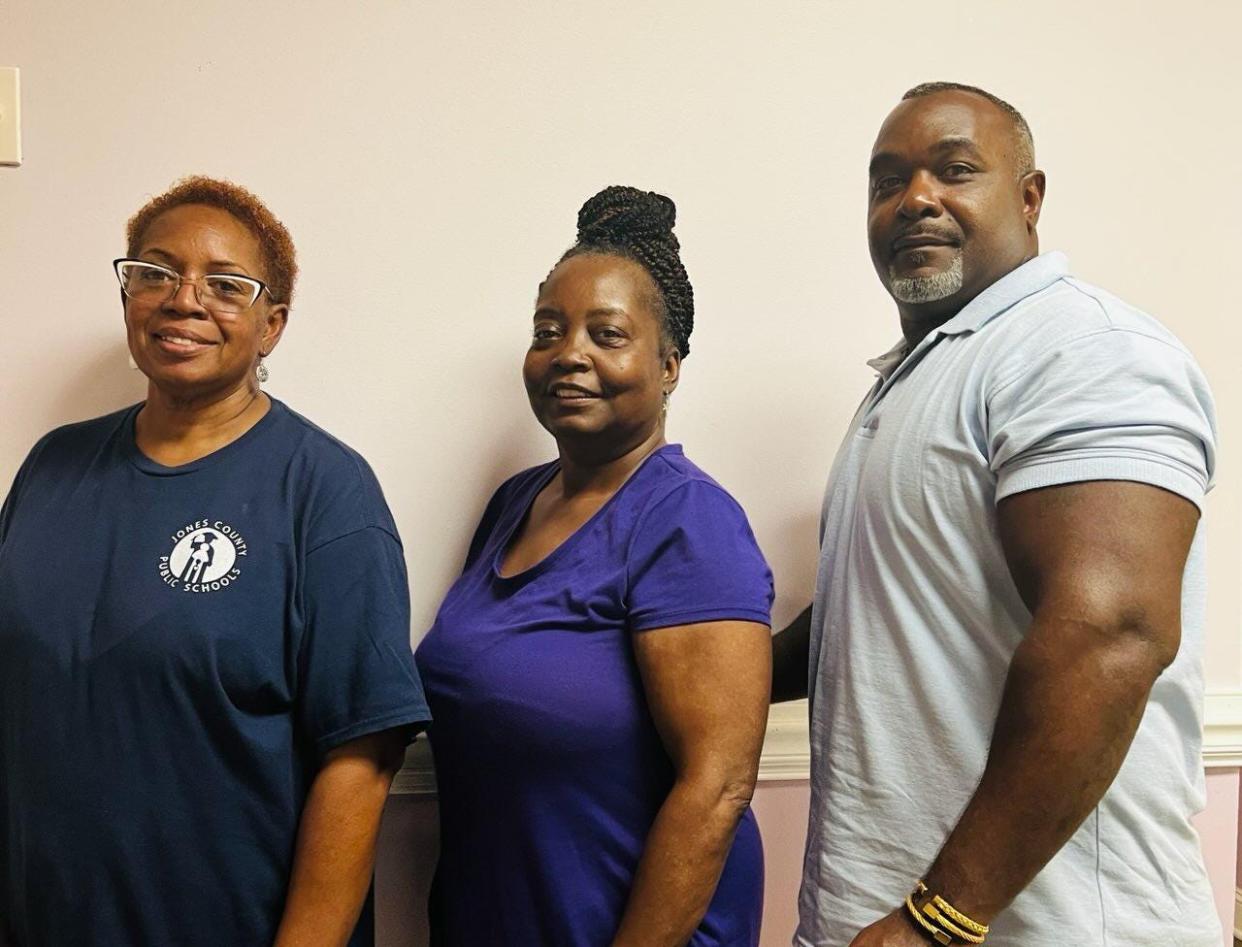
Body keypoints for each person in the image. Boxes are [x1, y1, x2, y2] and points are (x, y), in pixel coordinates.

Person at [772, 83, 1220, 946]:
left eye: (956, 169)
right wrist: (696, 671)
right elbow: (870, 617)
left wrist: (938, 917)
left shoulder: (1084, 347)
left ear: (1029, 197)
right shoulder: (918, 375)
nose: (916, 199)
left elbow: (1112, 631)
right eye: (887, 181)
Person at [0, 176, 431, 947]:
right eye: (156, 272)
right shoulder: (50, 468)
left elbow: (361, 759)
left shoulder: (324, 492)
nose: (183, 299)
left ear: (272, 324)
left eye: (225, 284)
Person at [416, 186, 774, 946]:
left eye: (606, 333)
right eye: (548, 329)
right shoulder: (514, 503)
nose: (568, 352)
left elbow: (716, 789)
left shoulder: (688, 521)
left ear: (669, 365)